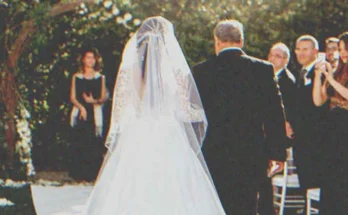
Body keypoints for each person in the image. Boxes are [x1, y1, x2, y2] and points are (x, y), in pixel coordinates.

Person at [82, 16, 226, 215]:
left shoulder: (132, 69)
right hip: (168, 131)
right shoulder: (174, 71)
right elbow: (185, 110)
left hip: (138, 132)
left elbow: (124, 107)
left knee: (132, 186)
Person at [193, 20, 287, 215]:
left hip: (214, 153)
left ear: (217, 41)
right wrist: (277, 153)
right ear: (241, 41)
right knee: (247, 206)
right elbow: (274, 114)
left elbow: (195, 116)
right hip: (251, 153)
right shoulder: (262, 69)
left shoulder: (201, 71)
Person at [312, 31, 348, 215]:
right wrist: (320, 75)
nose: (343, 53)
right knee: (331, 178)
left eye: (345, 48)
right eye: (341, 49)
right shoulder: (338, 71)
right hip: (333, 131)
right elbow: (319, 100)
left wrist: (332, 80)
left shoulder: (338, 76)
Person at [291, 35, 327, 193]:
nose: (300, 53)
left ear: (315, 51)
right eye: (298, 49)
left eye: (305, 49)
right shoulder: (301, 73)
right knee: (306, 184)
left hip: (316, 141)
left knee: (315, 184)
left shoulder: (321, 71)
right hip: (302, 140)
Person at [69, 48, 108, 182]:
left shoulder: (100, 77)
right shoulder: (77, 77)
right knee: (80, 142)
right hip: (81, 113)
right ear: (83, 60)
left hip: (95, 113)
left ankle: (93, 175)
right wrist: (81, 108)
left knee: (94, 143)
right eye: (88, 57)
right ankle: (79, 174)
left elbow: (103, 97)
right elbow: (73, 97)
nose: (91, 60)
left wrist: (94, 101)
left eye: (93, 58)